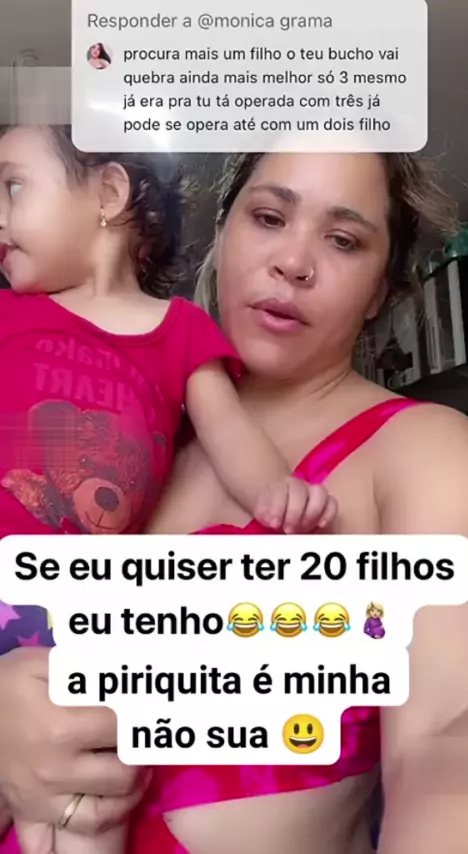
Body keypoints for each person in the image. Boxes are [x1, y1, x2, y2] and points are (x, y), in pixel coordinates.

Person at [0, 148, 468, 854]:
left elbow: (453, 746)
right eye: (269, 218)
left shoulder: (426, 451)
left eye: (343, 239)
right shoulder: (129, 451)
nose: (294, 262)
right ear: (223, 235)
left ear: (380, 289)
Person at [0, 126, 336, 854]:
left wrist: (280, 494)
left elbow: (230, 433)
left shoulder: (180, 329)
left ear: (108, 193)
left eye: (13, 186)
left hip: (90, 615)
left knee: (91, 809)